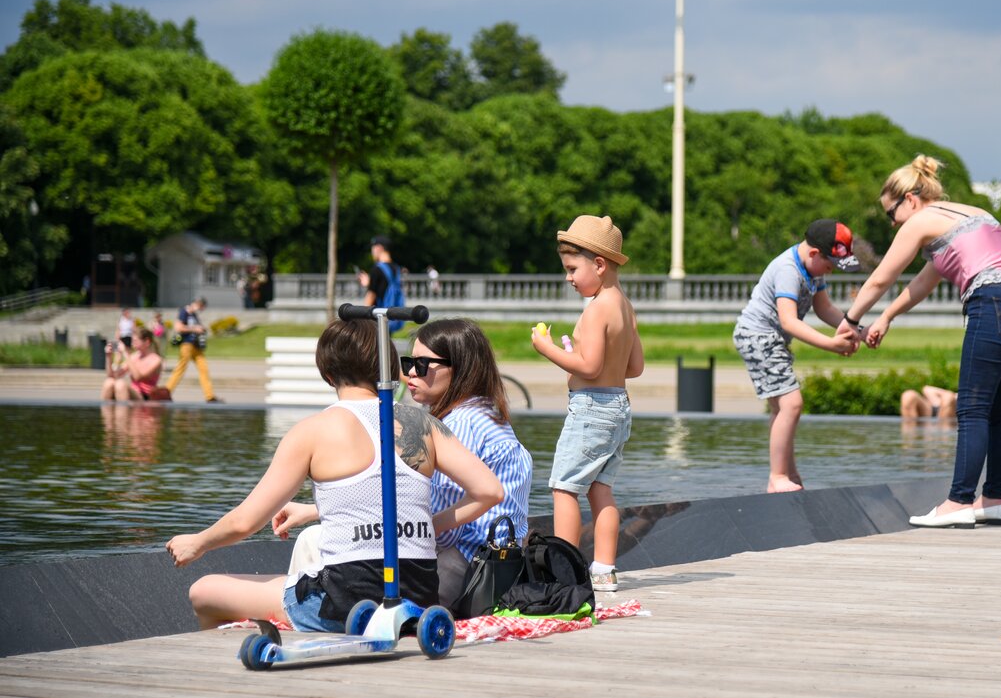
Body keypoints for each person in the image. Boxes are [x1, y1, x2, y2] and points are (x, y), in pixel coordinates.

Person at [165, 319, 504, 631]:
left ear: (327, 373)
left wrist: (197, 543)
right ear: (385, 368)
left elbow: (246, 522)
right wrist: (429, 525)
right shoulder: (424, 424)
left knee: (203, 591)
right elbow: (490, 491)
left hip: (345, 603)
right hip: (418, 599)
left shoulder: (311, 432)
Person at [836, 154, 1001, 528]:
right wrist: (886, 316)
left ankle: (959, 502)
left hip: (992, 302)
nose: (893, 223)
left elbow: (882, 278)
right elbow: (921, 283)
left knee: (972, 408)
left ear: (911, 199)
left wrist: (851, 319)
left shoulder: (921, 222)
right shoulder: (964, 215)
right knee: (1000, 411)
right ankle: (992, 500)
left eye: (891, 213)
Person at [277, 318, 533, 610]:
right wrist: (315, 510)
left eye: (422, 365)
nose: (410, 372)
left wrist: (327, 517)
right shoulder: (488, 414)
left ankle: (308, 616)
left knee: (314, 540)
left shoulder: (459, 425)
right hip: (496, 570)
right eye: (409, 361)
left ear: (459, 368)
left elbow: (437, 527)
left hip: (460, 570)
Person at [531, 214, 644, 593]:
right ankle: (604, 570)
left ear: (599, 264)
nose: (568, 278)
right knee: (601, 488)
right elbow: (634, 366)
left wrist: (547, 349)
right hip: (618, 407)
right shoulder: (625, 306)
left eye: (572, 269)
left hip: (592, 408)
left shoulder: (596, 308)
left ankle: (564, 571)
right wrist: (577, 352)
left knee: (564, 486)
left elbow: (590, 367)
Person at [733, 219, 861, 493]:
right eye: (830, 266)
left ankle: (787, 474)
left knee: (783, 407)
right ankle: (777, 477)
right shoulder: (788, 270)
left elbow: (824, 308)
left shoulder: (813, 270)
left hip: (771, 339)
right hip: (758, 337)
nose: (831, 272)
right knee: (792, 403)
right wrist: (831, 344)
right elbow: (789, 321)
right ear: (815, 253)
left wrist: (858, 330)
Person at [164, 297, 220, 403]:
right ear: (199, 304)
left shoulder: (194, 315)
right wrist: (195, 328)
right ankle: (166, 391)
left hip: (196, 345)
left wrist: (201, 329)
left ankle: (209, 396)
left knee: (204, 369)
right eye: (202, 307)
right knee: (180, 369)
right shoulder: (184, 312)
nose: (201, 310)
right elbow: (178, 328)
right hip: (186, 344)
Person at [358, 235, 406, 334]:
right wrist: (369, 283)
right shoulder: (396, 268)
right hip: (391, 316)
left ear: (379, 248)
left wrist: (363, 319)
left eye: (373, 248)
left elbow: (371, 295)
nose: (372, 251)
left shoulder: (377, 269)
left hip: (378, 318)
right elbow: (384, 287)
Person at [101, 327, 164, 401]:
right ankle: (106, 412)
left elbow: (138, 377)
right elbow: (112, 375)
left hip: (145, 396)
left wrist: (125, 353)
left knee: (120, 384)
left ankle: (122, 412)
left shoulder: (156, 360)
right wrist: (108, 357)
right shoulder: (134, 357)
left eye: (135, 341)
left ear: (147, 342)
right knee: (109, 382)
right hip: (134, 393)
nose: (132, 343)